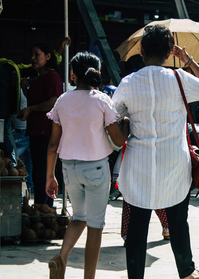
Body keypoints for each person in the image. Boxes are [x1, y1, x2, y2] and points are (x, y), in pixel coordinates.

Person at [112, 24, 199, 279]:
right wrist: (189, 61)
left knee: (137, 229)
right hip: (174, 163)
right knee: (178, 221)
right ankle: (187, 272)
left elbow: (113, 115)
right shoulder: (179, 78)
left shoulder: (129, 82)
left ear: (141, 49)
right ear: (170, 52)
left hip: (138, 165)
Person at [45, 51, 130, 279]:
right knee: (95, 225)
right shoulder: (102, 100)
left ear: (73, 75)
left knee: (79, 218)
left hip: (68, 169)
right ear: (97, 73)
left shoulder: (63, 100)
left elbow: (53, 144)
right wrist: (127, 125)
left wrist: (49, 176)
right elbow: (119, 140)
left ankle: (60, 258)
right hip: (95, 169)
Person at [19, 42, 63, 208]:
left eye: (37, 54)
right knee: (38, 171)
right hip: (37, 130)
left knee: (43, 172)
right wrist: (25, 89)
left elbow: (53, 102)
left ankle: (45, 208)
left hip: (46, 131)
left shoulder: (52, 76)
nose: (33, 58)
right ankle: (42, 207)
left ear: (48, 56)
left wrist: (31, 109)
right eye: (32, 55)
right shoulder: (40, 78)